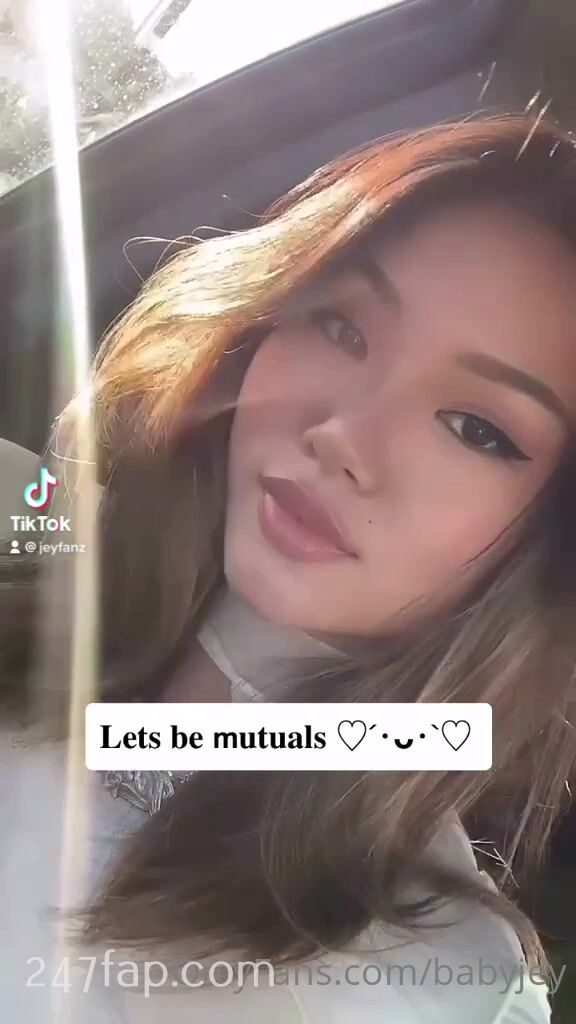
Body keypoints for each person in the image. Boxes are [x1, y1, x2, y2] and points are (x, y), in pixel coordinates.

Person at [2, 112, 576, 1023]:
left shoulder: (448, 982)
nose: (344, 435)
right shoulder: (30, 539)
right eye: (340, 328)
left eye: (476, 428)